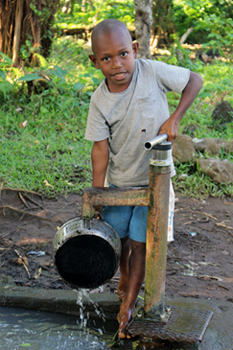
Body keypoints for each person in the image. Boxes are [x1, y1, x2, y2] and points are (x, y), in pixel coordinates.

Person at [85, 18, 203, 338]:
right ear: (95, 62)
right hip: (121, 183)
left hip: (156, 181)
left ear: (134, 49)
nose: (117, 64)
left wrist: (175, 117)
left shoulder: (152, 71)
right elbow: (100, 150)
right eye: (106, 58)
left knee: (141, 242)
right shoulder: (100, 100)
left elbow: (195, 79)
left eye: (123, 54)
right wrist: (98, 193)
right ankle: (125, 280)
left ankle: (130, 303)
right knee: (118, 238)